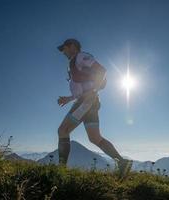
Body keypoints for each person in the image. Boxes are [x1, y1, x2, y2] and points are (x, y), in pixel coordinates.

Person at [57, 38, 132, 178]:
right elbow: (81, 88)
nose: (63, 52)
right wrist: (68, 98)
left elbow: (102, 70)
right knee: (95, 138)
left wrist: (93, 92)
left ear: (72, 46)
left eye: (64, 48)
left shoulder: (80, 57)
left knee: (63, 130)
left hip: (86, 102)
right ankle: (123, 162)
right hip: (89, 102)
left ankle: (60, 171)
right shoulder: (73, 63)